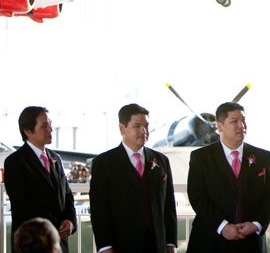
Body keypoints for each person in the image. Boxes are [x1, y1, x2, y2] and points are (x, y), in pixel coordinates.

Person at [186, 102, 270, 253]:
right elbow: (197, 196)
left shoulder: (263, 157)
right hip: (210, 240)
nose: (241, 125)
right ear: (220, 126)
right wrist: (223, 226)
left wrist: (256, 224)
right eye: (234, 121)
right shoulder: (201, 157)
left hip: (250, 241)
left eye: (243, 120)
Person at [89, 103, 178, 253]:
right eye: (137, 126)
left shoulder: (161, 160)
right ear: (122, 128)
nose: (143, 131)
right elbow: (99, 209)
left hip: (157, 243)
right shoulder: (104, 163)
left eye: (146, 126)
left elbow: (169, 204)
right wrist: (105, 246)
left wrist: (170, 243)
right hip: (122, 243)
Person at [4, 106, 77, 253]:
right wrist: (55, 227)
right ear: (28, 131)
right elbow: (23, 204)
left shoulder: (55, 158)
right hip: (32, 242)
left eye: (50, 123)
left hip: (59, 243)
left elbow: (67, 195)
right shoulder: (15, 162)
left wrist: (70, 222)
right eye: (44, 125)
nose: (50, 129)